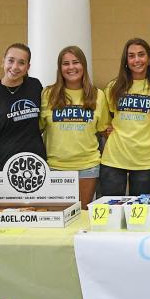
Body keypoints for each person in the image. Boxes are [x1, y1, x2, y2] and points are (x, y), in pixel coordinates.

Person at [40, 46, 109, 206]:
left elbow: (105, 129)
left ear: (83, 65)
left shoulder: (98, 95)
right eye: (66, 63)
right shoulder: (48, 94)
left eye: (76, 62)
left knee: (82, 214)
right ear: (60, 68)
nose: (71, 67)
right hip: (55, 166)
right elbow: (37, 127)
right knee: (58, 214)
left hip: (87, 166)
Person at [100, 38, 150, 196]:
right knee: (111, 208)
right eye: (131, 56)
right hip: (114, 158)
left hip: (145, 160)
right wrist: (109, 130)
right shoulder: (113, 87)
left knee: (141, 209)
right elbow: (106, 120)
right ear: (126, 61)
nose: (137, 60)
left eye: (141, 54)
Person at [0, 43, 45, 171]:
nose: (15, 67)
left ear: (28, 67)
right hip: (4, 166)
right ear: (3, 61)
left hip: (36, 165)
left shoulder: (35, 86)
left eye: (21, 63)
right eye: (11, 60)